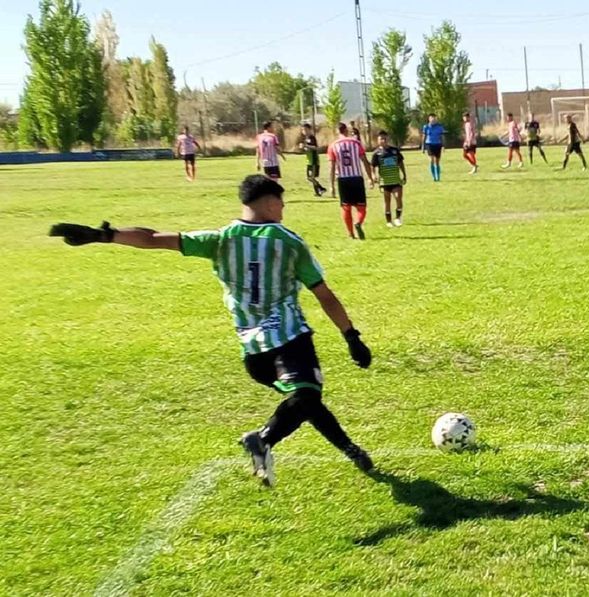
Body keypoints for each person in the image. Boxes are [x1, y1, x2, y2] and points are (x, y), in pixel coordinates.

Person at [48, 175, 375, 488]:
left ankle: (351, 450)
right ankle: (260, 440)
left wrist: (105, 235)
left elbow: (153, 238)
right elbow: (324, 294)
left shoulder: (220, 239)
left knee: (306, 399)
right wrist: (351, 336)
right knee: (305, 396)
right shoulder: (288, 242)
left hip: (253, 353)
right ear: (270, 202)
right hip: (289, 339)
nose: (283, 209)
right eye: (282, 202)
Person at [328, 122, 375, 240]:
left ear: (337, 131)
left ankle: (350, 233)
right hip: (356, 178)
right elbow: (364, 161)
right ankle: (358, 222)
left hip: (343, 180)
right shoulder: (356, 143)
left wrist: (332, 185)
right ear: (346, 131)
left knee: (346, 207)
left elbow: (332, 167)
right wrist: (370, 177)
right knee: (361, 207)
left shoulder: (333, 145)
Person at [371, 130, 407, 228]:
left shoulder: (394, 151)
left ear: (388, 139)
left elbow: (400, 163)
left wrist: (404, 174)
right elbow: (373, 166)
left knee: (398, 198)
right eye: (381, 139)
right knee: (387, 201)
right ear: (378, 140)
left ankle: (398, 218)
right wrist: (373, 176)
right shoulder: (376, 153)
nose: (383, 140)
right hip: (384, 181)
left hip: (395, 179)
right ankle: (389, 221)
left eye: (385, 138)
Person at [300, 123, 326, 197]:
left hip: (314, 160)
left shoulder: (312, 137)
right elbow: (307, 149)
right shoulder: (305, 138)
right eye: (302, 129)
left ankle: (320, 190)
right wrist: (303, 148)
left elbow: (315, 147)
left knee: (312, 177)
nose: (303, 131)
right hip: (309, 161)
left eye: (305, 129)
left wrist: (306, 146)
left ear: (309, 129)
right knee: (309, 178)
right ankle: (320, 190)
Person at [421, 114, 445, 182]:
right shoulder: (426, 127)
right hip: (429, 144)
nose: (433, 120)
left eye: (434, 118)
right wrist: (423, 146)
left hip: (437, 145)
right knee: (432, 160)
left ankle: (438, 177)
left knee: (437, 162)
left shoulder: (439, 127)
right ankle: (434, 177)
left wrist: (443, 146)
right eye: (432, 118)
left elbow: (442, 137)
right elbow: (424, 137)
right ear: (429, 119)